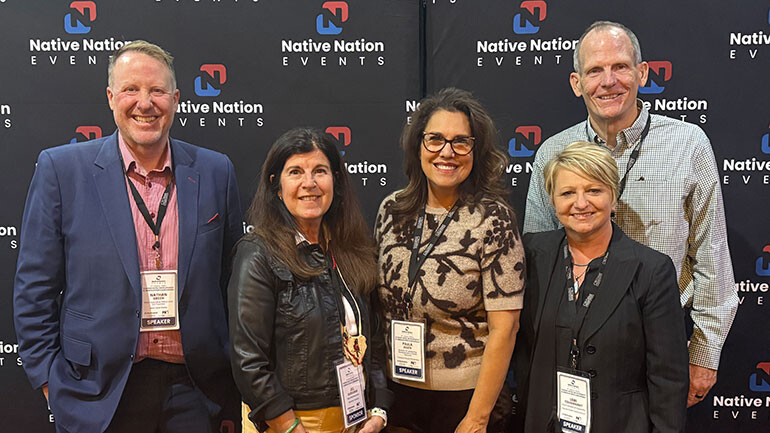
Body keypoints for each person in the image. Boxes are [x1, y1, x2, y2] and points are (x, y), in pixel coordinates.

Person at [13, 41, 242, 432]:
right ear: (110, 97)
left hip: (196, 390)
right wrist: (51, 382)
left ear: (176, 99)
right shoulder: (62, 170)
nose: (145, 103)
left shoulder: (215, 171)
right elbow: (35, 287)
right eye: (131, 89)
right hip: (97, 391)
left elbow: (232, 283)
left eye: (157, 91)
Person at [523, 20, 738, 407]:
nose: (608, 81)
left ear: (642, 73)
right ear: (577, 83)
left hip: (658, 347)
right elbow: (537, 264)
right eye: (595, 70)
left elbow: (712, 257)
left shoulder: (688, 145)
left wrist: (703, 356)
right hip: (569, 350)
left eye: (620, 67)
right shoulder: (552, 153)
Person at [375, 88, 524, 433]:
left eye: (460, 142)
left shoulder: (493, 219)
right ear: (418, 145)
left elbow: (505, 329)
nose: (447, 152)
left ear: (476, 150)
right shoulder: (391, 210)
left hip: (467, 400)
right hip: (397, 399)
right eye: (435, 139)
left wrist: (477, 418)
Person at [515, 141, 688, 433]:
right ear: (553, 201)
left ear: (613, 197)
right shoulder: (530, 255)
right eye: (567, 193)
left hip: (621, 423)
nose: (581, 203)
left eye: (594, 190)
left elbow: (668, 377)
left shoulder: (651, 269)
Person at [228, 128, 392, 433]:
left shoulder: (353, 250)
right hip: (290, 424)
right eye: (295, 172)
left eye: (320, 171)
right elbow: (248, 360)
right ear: (277, 187)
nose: (309, 183)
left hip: (355, 420)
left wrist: (379, 409)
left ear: (336, 181)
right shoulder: (258, 254)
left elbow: (375, 341)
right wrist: (289, 426)